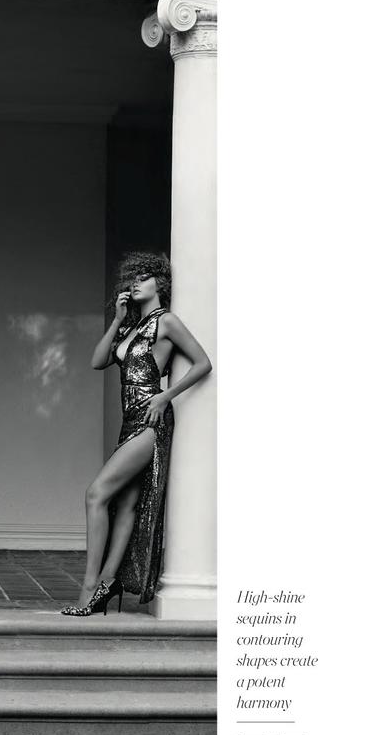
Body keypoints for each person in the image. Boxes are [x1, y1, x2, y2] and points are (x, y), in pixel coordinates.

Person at [61, 251, 212, 616]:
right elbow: (98, 360)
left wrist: (166, 395)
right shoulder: (130, 328)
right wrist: (117, 320)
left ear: (160, 283)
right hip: (129, 420)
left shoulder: (167, 321)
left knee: (96, 494)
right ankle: (107, 582)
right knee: (127, 504)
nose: (136, 283)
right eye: (133, 278)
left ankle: (89, 586)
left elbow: (203, 363)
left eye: (144, 277)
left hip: (150, 419)